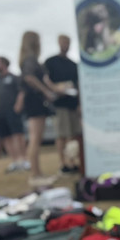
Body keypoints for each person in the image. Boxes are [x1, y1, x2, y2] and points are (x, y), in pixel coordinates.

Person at [18, 31, 59, 187]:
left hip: (34, 101)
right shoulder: (30, 60)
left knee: (36, 138)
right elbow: (29, 78)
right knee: (35, 138)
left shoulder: (29, 59)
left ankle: (38, 173)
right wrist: (46, 92)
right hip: (35, 101)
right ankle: (34, 175)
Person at [44, 34, 82, 174]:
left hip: (72, 104)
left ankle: (72, 162)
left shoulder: (73, 65)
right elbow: (45, 79)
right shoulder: (50, 62)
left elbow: (78, 85)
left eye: (67, 42)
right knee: (62, 134)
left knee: (73, 134)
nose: (65, 45)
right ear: (59, 43)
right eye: (63, 42)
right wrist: (55, 89)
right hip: (59, 105)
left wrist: (79, 103)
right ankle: (63, 164)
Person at [0, 56, 29, 171]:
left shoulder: (14, 78)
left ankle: (24, 160)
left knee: (18, 135)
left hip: (12, 111)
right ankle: (15, 161)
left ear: (4, 64)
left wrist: (18, 104)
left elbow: (22, 92)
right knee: (5, 137)